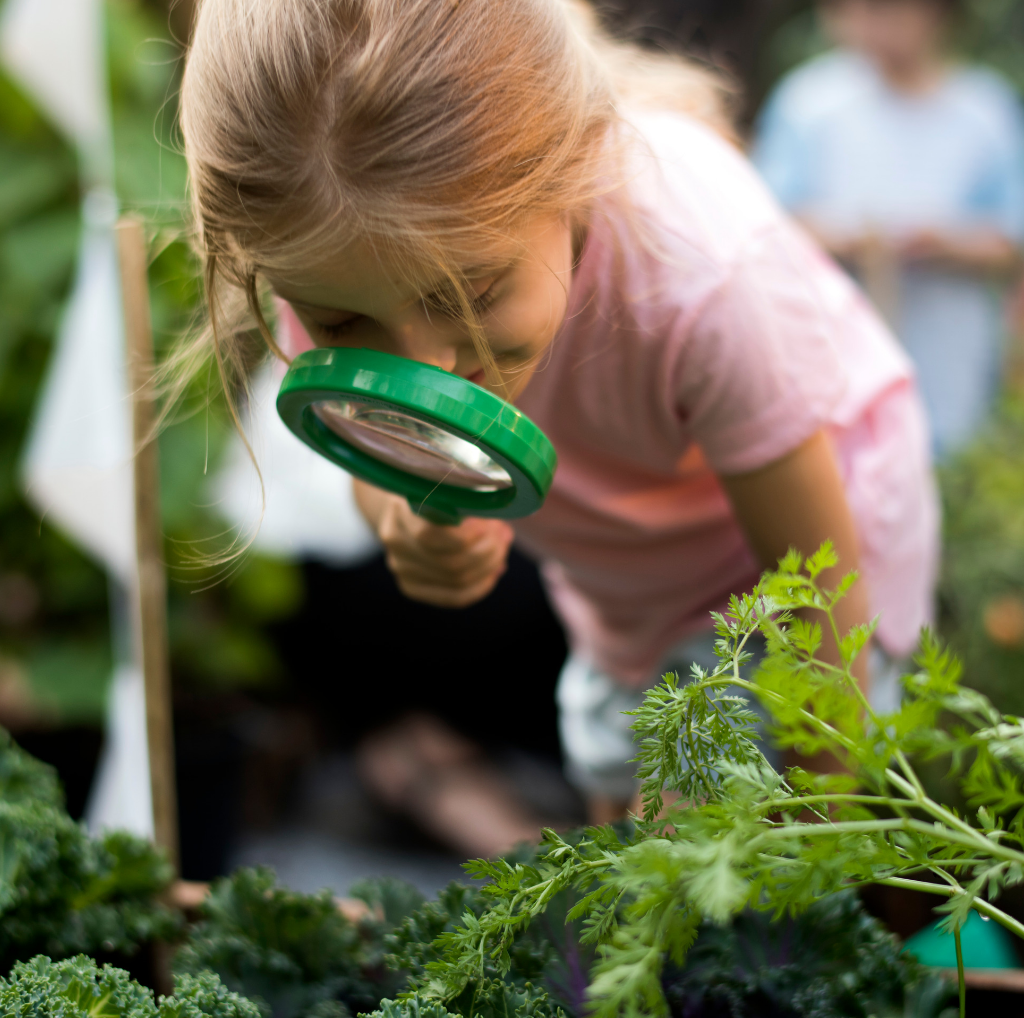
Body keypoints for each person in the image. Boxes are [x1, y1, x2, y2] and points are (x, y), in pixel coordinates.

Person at [177, 0, 938, 827]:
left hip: (819, 550)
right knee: (624, 819)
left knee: (751, 844)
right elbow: (377, 448)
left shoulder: (702, 278)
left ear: (576, 165)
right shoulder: (337, 257)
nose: (424, 368)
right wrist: (397, 513)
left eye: (471, 296)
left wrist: (828, 830)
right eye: (343, 326)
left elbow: (818, 580)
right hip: (623, 588)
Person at [754, 0, 1024, 459]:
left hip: (950, 352)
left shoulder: (985, 108)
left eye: (887, 10)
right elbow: (764, 222)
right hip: (829, 349)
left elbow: (1010, 238)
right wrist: (848, 240)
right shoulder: (809, 101)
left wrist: (945, 244)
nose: (869, 24)